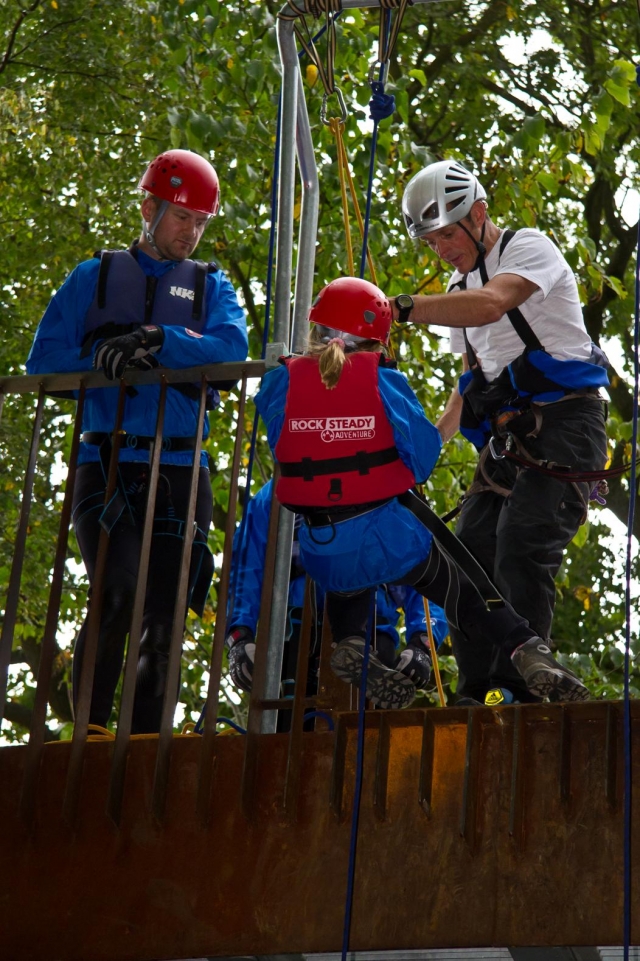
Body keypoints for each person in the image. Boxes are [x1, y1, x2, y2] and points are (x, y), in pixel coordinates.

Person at [253, 276, 589, 708]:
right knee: (465, 592)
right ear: (378, 340)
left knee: (348, 572)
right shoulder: (382, 381)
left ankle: (352, 640)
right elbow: (423, 458)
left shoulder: (279, 382)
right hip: (389, 538)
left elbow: (284, 440)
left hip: (321, 544)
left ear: (314, 329)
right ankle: (526, 648)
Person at [26, 148, 248, 733]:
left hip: (181, 470)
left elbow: (230, 352)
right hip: (107, 462)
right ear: (148, 207)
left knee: (166, 617)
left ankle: (147, 745)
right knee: (117, 592)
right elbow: (42, 363)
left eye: (201, 222)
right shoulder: (92, 278)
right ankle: (92, 734)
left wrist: (159, 340)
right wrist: (104, 355)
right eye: (182, 217)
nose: (191, 233)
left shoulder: (210, 288)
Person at [394, 159, 609, 706]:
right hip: (506, 441)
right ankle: (476, 690)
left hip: (567, 422)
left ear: (479, 215)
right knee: (466, 554)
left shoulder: (527, 247)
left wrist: (401, 308)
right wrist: (423, 453)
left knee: (523, 544)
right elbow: (467, 387)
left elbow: (493, 305)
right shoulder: (456, 288)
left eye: (448, 233)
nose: (442, 248)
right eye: (432, 241)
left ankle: (522, 688)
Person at [225, 478, 449, 712]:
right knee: (287, 734)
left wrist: (422, 643)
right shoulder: (275, 494)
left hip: (371, 632)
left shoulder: (393, 484)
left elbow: (425, 576)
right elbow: (245, 568)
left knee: (362, 738)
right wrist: (239, 637)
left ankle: (359, 661)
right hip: (292, 634)